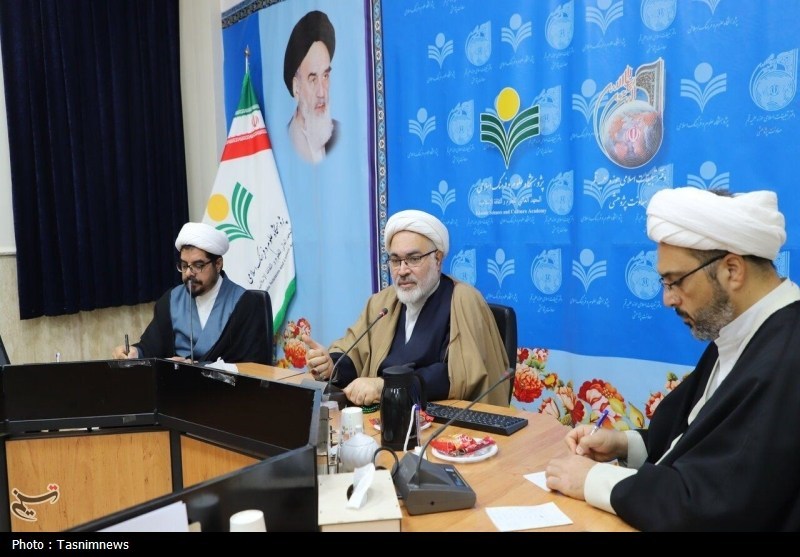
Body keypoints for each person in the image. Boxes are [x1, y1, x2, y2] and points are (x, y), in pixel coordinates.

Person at [545, 187, 800, 531]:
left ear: (732, 270)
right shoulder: (742, 331)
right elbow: (697, 439)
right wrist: (623, 445)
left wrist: (592, 479)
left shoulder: (787, 358)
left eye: (675, 281)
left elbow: (714, 504)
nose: (668, 299)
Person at [303, 210, 509, 407]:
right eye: (395, 260)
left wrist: (386, 386)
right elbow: (354, 352)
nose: (402, 270)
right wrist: (332, 366)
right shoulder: (382, 303)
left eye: (413, 259)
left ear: (438, 259)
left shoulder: (463, 299)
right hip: (382, 417)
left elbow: (457, 375)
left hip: (442, 421)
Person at [111, 222, 272, 365]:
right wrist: (136, 352)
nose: (189, 273)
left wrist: (196, 368)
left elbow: (252, 366)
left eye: (198, 265)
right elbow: (151, 347)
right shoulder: (171, 300)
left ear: (218, 264)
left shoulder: (245, 304)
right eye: (184, 266)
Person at [283, 10, 338, 164]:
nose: (322, 92)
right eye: (313, 79)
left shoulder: (339, 134)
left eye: (325, 76)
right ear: (296, 87)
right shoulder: (284, 141)